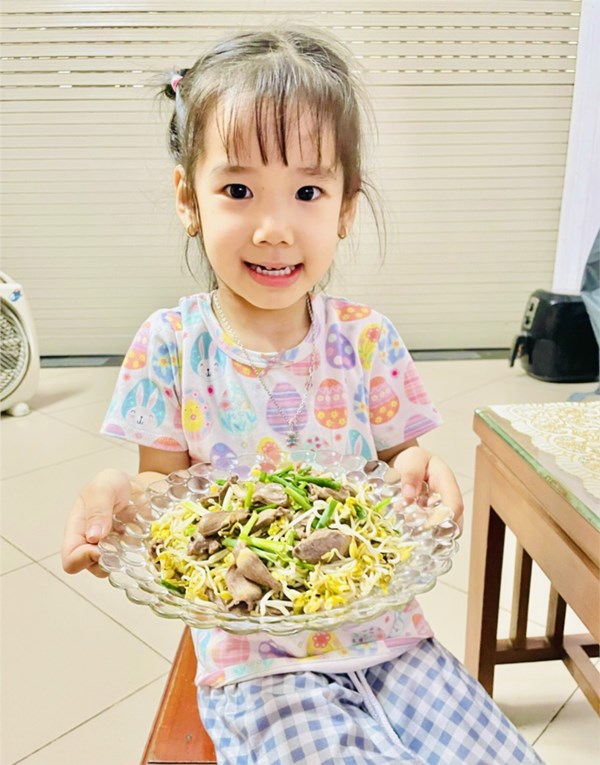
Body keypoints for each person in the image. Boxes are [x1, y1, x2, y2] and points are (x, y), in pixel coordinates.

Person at [61, 25, 545, 765]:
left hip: (391, 638)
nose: (274, 228)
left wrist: (423, 469)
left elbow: (401, 461)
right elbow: (164, 490)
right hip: (258, 662)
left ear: (346, 206)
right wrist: (120, 497)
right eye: (238, 190)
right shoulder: (171, 343)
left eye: (308, 191)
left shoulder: (367, 338)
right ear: (189, 199)